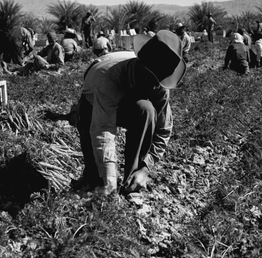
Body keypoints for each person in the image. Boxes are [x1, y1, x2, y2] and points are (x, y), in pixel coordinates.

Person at [75, 30, 187, 195]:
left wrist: (145, 167)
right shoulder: (108, 80)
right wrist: (109, 177)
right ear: (139, 65)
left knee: (146, 110)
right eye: (148, 77)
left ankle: (132, 180)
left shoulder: (159, 84)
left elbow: (163, 130)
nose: (152, 85)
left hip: (125, 96)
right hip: (92, 100)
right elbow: (104, 128)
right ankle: (94, 181)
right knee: (96, 173)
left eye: (157, 81)